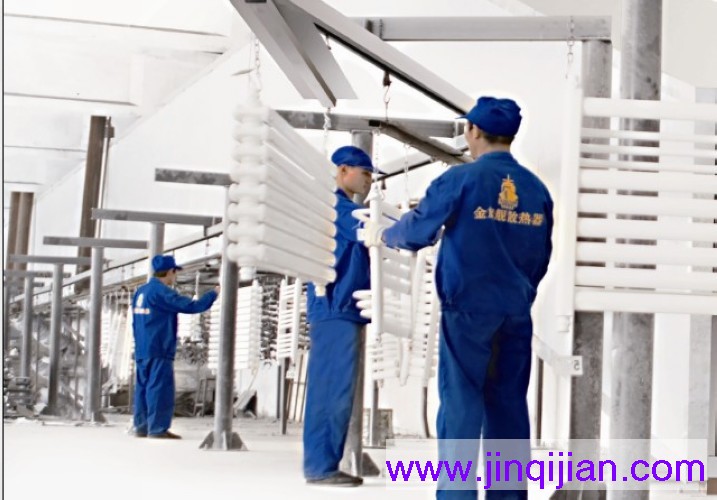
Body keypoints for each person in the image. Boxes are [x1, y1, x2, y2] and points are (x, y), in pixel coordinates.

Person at [362, 97, 554, 499]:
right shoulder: (537, 190)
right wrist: (520, 292)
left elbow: (418, 230)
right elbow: (541, 255)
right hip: (516, 312)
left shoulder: (461, 179)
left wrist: (383, 235)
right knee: (508, 406)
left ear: (472, 131)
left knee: (462, 406)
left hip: (467, 311)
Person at [303, 145, 375, 487]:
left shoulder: (344, 208)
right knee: (332, 388)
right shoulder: (337, 208)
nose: (369, 180)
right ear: (343, 170)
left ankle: (324, 462)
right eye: (365, 173)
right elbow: (374, 232)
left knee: (338, 388)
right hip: (336, 307)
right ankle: (321, 466)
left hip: (344, 308)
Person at [132, 254, 219, 439]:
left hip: (142, 348)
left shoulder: (141, 292)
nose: (175, 276)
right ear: (170, 271)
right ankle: (157, 429)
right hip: (159, 347)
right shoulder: (162, 292)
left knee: (142, 388)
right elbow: (192, 306)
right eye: (175, 272)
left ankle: (141, 426)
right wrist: (213, 294)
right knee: (159, 388)